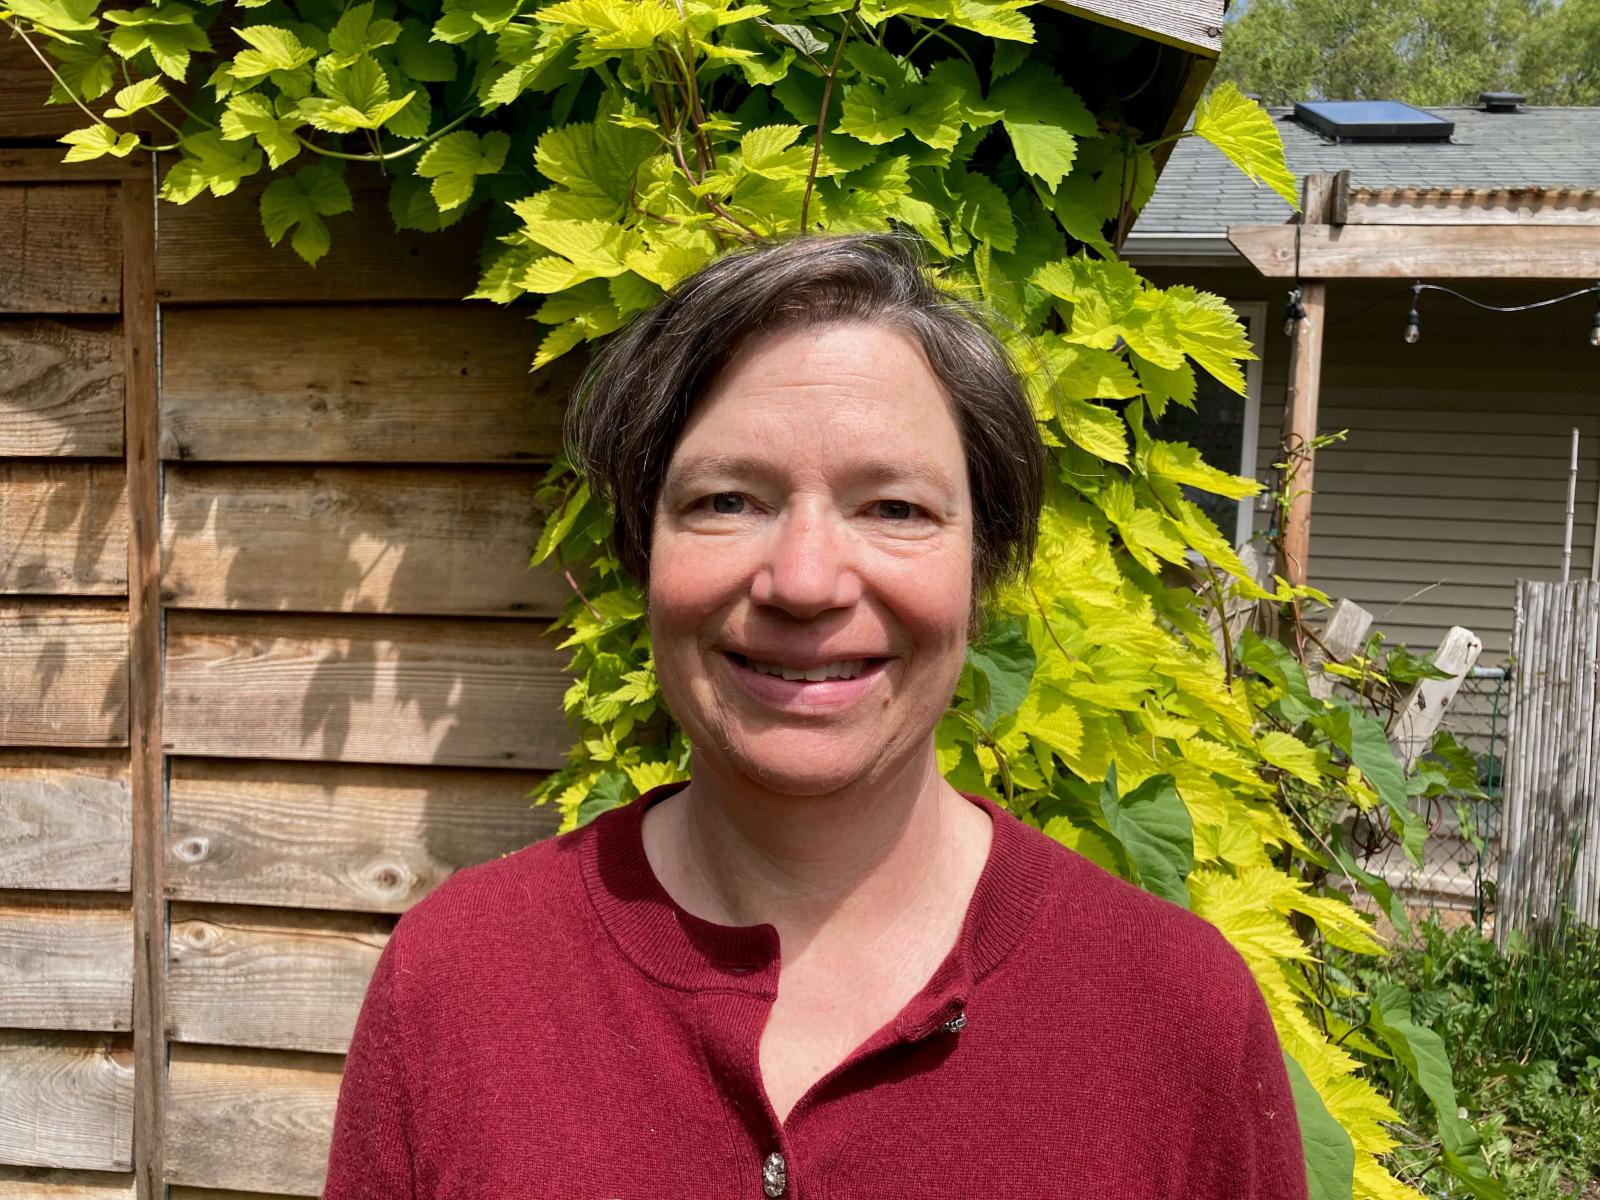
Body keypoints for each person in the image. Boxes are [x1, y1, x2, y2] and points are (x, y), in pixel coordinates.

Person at [322, 233, 1308, 1199]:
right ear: (641, 548)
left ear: (984, 566)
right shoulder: (456, 986)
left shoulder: (1176, 1020)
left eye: (893, 509)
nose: (802, 581)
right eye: (725, 500)